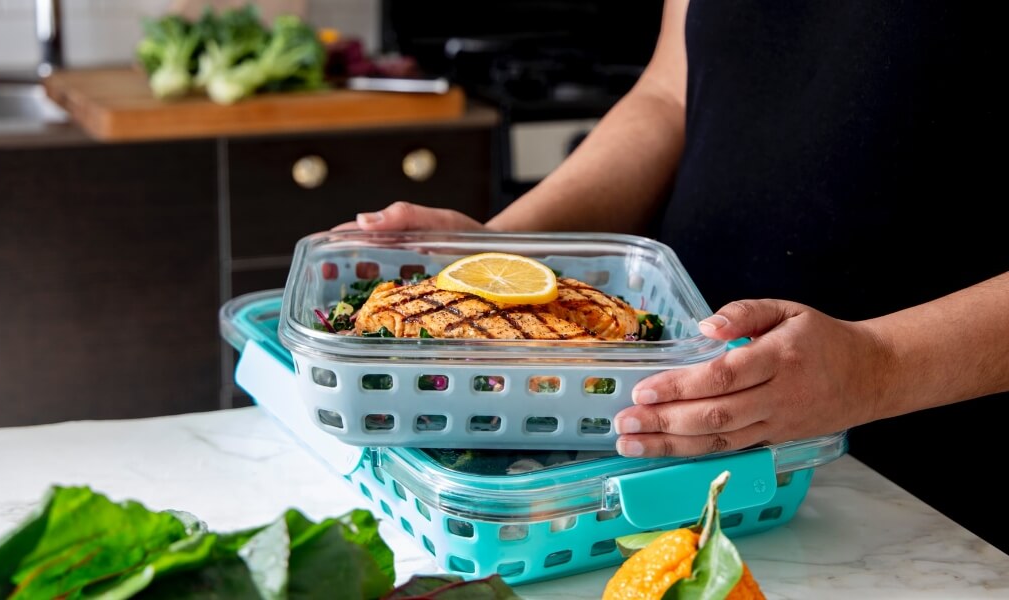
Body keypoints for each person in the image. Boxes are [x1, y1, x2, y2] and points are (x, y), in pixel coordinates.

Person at [333, 0, 1009, 551]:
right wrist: (503, 249)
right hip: (666, 445)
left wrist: (877, 366)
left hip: (930, 489)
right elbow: (671, 94)